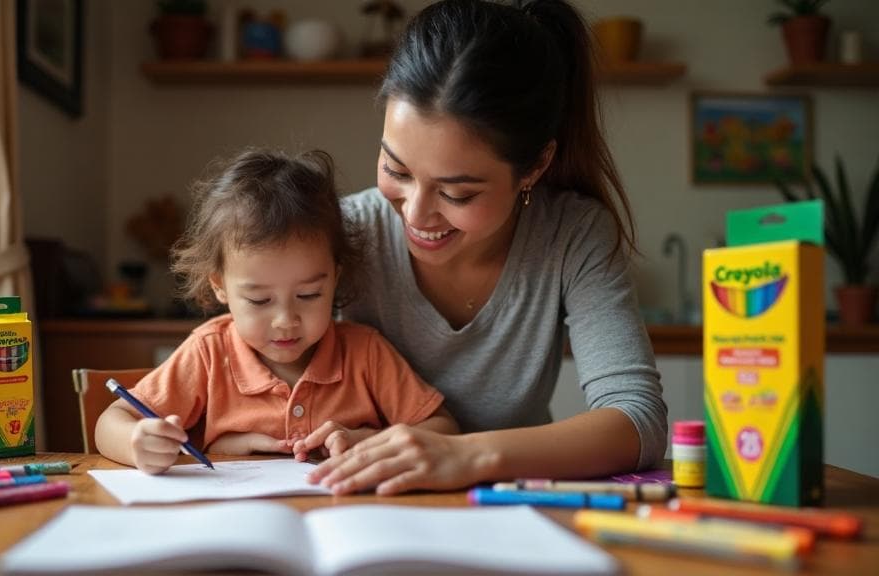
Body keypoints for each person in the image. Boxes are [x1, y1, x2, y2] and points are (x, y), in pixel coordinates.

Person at [307, 0, 667, 495]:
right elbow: (233, 361)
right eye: (396, 170)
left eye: (458, 193)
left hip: (509, 508)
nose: (415, 214)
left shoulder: (572, 234)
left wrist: (464, 455)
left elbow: (637, 419)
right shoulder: (345, 231)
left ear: (535, 167)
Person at [95, 148, 458, 474]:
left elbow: (443, 430)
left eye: (310, 294)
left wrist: (366, 441)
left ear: (335, 278)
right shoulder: (209, 352)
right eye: (259, 300)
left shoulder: (365, 353)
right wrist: (137, 441)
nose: (286, 321)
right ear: (219, 285)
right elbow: (112, 421)